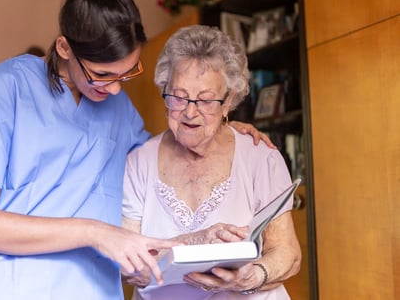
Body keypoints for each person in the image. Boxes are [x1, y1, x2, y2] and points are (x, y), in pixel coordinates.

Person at [0, 0, 272, 299]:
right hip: (8, 289)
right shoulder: (0, 91)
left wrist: (221, 128)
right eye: (101, 74)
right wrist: (94, 233)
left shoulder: (118, 109)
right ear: (64, 48)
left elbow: (164, 159)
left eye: (125, 74)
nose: (112, 90)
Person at [122, 25, 301, 300]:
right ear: (164, 92)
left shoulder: (260, 156)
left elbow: (288, 253)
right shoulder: (138, 162)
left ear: (228, 101)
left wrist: (252, 276)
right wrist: (194, 240)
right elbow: (127, 267)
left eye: (206, 101)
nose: (190, 113)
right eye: (179, 97)